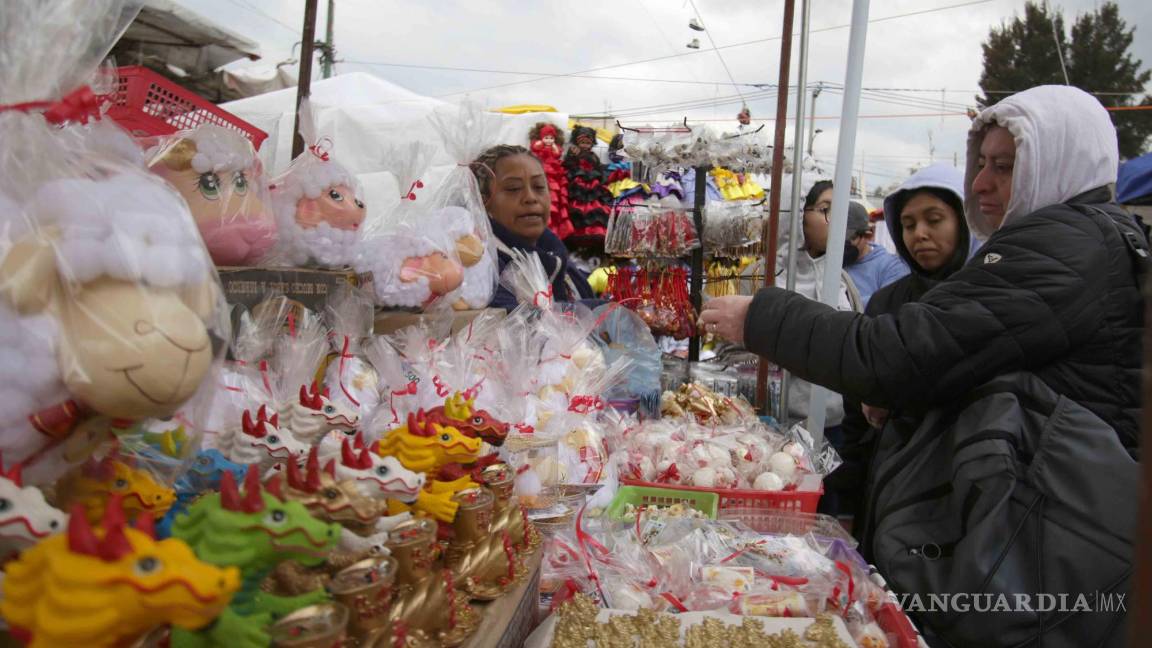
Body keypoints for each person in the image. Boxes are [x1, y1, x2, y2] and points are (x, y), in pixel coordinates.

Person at [700, 86, 1142, 646]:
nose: (980, 182)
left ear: (1059, 163)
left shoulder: (1064, 244)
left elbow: (900, 354)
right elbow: (974, 362)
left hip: (1034, 557)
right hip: (1034, 545)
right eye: (981, 162)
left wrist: (761, 317)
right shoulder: (1086, 240)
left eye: (1004, 167)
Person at [833, 163, 975, 523]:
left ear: (965, 220)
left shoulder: (987, 299)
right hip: (890, 485)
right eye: (909, 225)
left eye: (934, 220)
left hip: (963, 487)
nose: (920, 234)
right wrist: (847, 503)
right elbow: (856, 406)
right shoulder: (887, 302)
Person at [470, 144, 594, 311]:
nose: (530, 198)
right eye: (513, 189)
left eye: (539, 187)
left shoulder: (561, 262)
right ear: (483, 201)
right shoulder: (483, 270)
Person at [841, 202, 909, 307]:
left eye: (849, 239)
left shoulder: (891, 267)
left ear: (868, 235)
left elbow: (887, 305)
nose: (842, 245)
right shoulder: (829, 260)